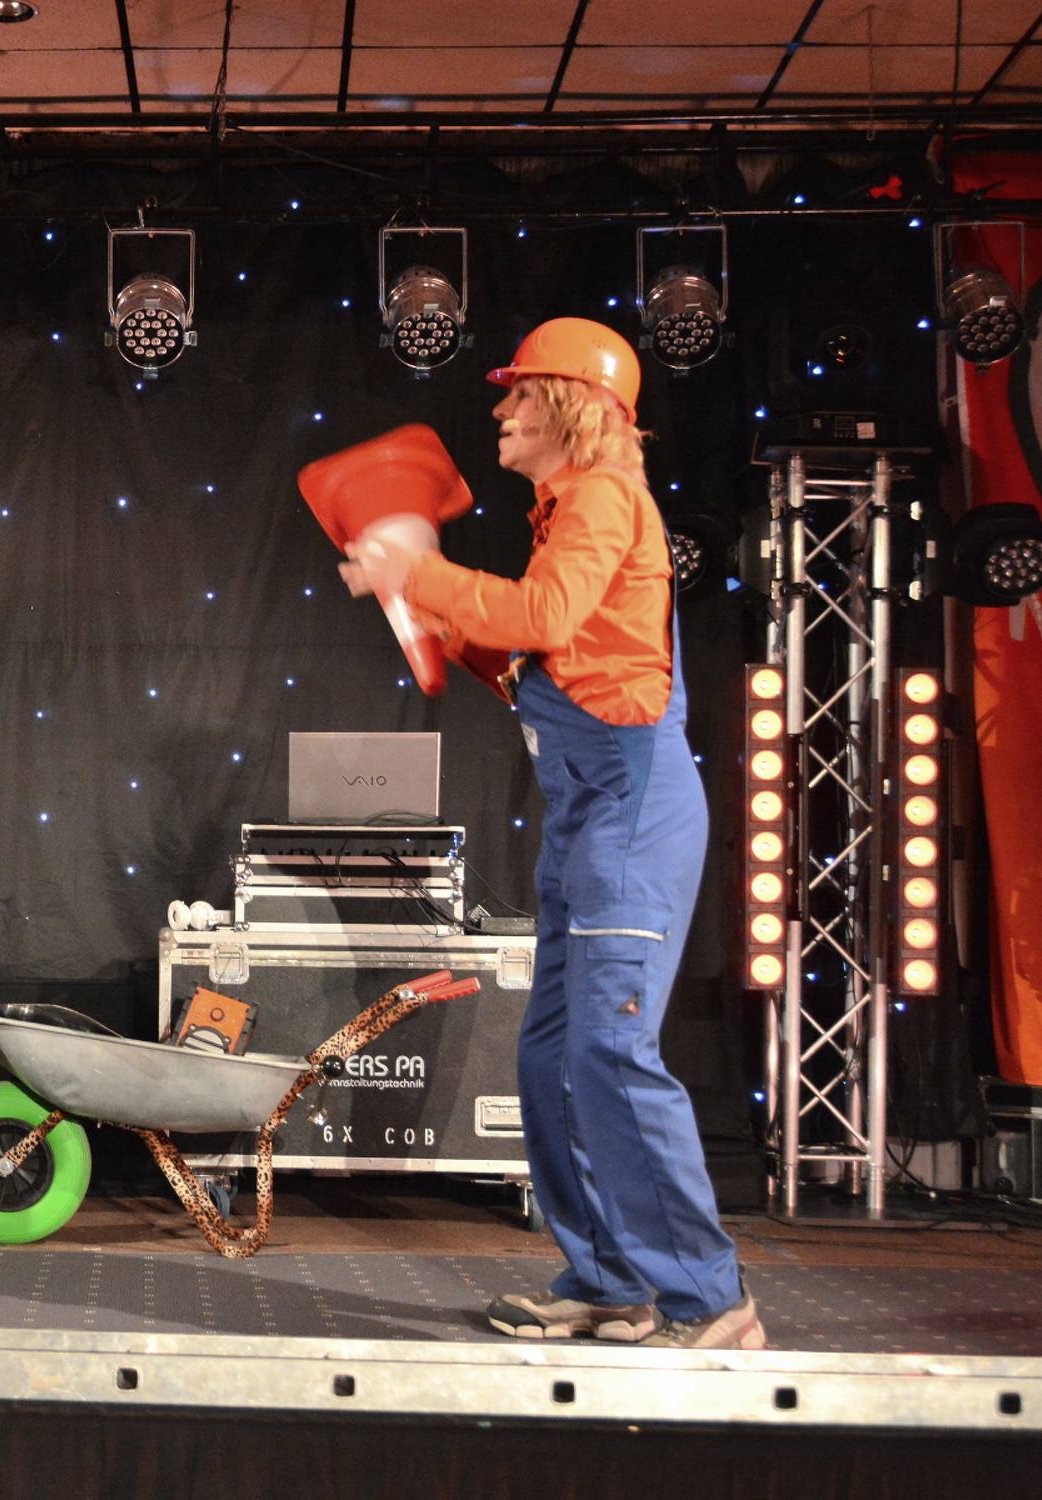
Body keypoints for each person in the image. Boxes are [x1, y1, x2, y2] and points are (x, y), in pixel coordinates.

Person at [340, 318, 763, 1351]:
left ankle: (712, 1302)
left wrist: (418, 571)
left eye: (520, 393)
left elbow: (543, 616)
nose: (502, 409)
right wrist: (427, 608)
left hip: (630, 811)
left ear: (573, 405)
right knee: (550, 1061)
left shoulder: (606, 497)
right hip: (586, 819)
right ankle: (611, 1283)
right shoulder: (568, 513)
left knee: (610, 1050)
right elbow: (537, 657)